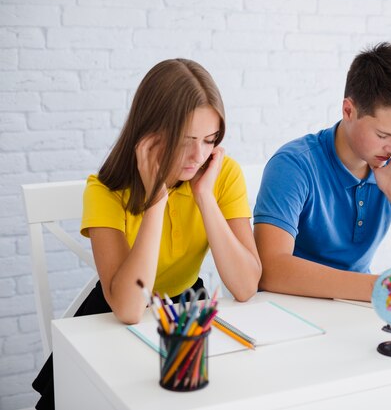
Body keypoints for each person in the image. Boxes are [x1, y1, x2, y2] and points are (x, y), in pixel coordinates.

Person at [32, 58, 262, 409]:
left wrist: (204, 197)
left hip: (185, 309)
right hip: (112, 317)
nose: (198, 156)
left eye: (209, 140)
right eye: (186, 141)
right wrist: (156, 199)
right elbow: (127, 308)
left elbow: (246, 287)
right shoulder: (105, 190)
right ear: (150, 135)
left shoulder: (221, 173)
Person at [253, 42, 391, 301]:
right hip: (293, 308)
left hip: (355, 308)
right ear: (348, 111)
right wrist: (382, 286)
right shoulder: (294, 165)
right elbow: (271, 270)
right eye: (383, 135)